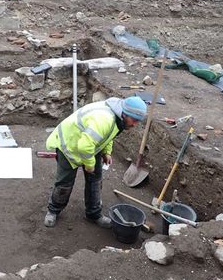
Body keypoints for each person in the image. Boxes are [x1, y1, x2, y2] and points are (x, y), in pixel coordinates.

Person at [43, 96, 147, 228]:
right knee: (64, 183)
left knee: (95, 181)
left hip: (90, 144)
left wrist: (106, 152)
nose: (135, 124)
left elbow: (108, 135)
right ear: (125, 114)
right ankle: (53, 211)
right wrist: (90, 165)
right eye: (134, 120)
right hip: (69, 145)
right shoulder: (104, 119)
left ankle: (94, 214)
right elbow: (84, 146)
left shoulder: (118, 117)